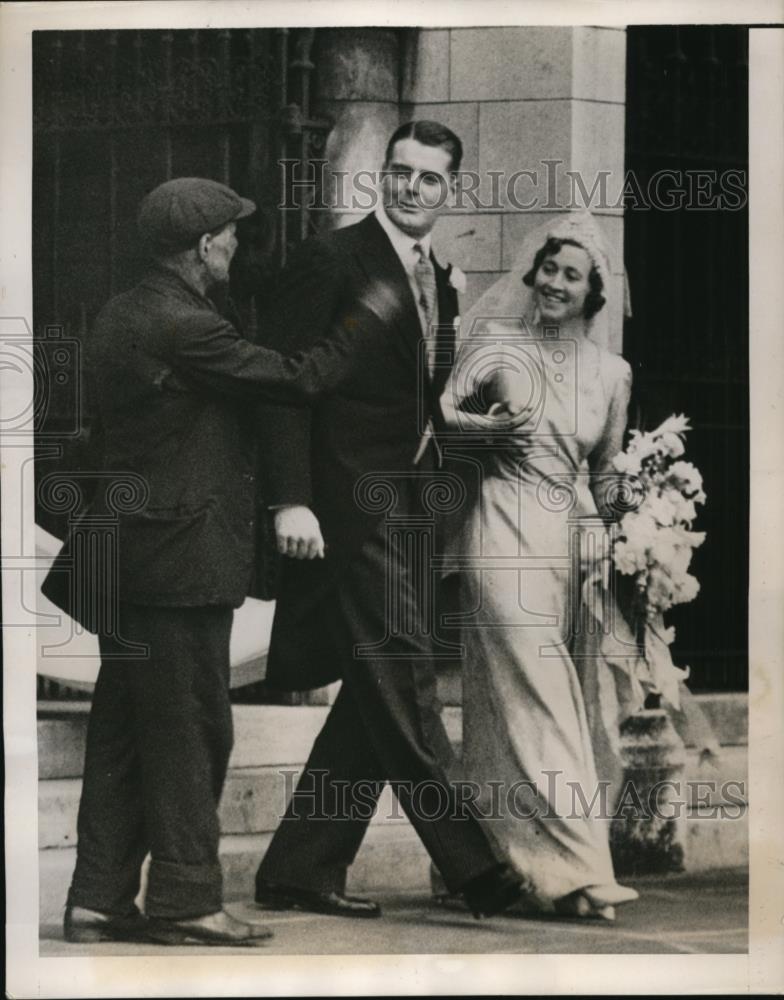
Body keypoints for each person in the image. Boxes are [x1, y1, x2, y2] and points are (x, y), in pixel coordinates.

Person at [41, 177, 378, 947]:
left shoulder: (128, 310)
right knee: (194, 731)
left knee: (127, 732)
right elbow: (298, 379)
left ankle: (97, 898)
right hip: (175, 562)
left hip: (133, 558)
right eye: (230, 236)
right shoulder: (183, 324)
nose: (235, 247)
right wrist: (363, 319)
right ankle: (188, 901)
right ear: (203, 246)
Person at [252, 121, 524, 920]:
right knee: (403, 671)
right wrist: (289, 497)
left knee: (375, 689)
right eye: (399, 173)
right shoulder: (331, 259)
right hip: (344, 504)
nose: (411, 189)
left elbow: (419, 399)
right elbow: (286, 385)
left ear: (450, 190)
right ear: (383, 177)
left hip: (410, 507)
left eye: (429, 179)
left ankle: (300, 868)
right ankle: (477, 866)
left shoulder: (438, 274)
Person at [440, 211, 640, 921]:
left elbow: (608, 469)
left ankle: (507, 864)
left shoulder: (613, 373)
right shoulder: (496, 345)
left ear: (594, 293)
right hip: (498, 524)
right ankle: (582, 867)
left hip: (567, 543)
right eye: (549, 270)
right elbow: (438, 419)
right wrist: (485, 429)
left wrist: (639, 518)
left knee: (516, 703)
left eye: (572, 276)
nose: (555, 283)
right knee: (541, 689)